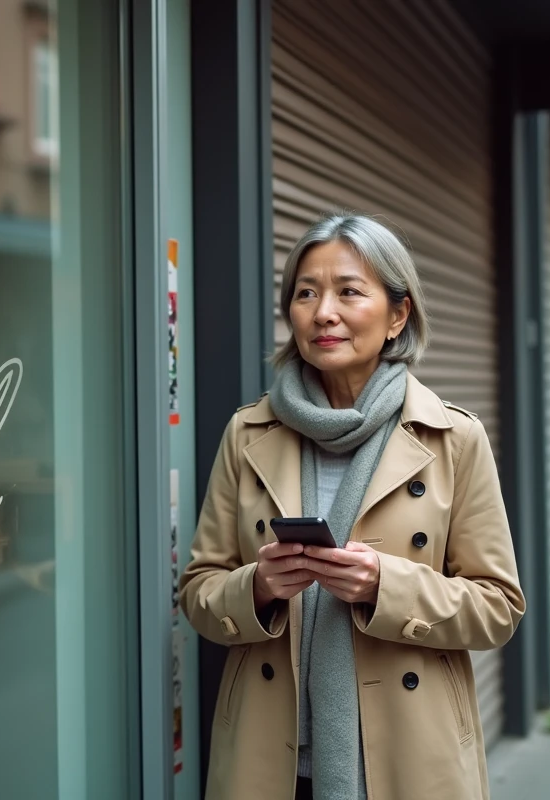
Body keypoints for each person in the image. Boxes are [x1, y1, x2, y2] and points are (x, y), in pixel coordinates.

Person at [179, 214, 525, 800]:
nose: (323, 312)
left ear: (398, 314)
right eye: (306, 292)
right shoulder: (248, 433)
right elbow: (197, 592)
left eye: (349, 291)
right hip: (273, 763)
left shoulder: (451, 438)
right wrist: (259, 587)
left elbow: (498, 608)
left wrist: (383, 585)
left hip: (408, 757)